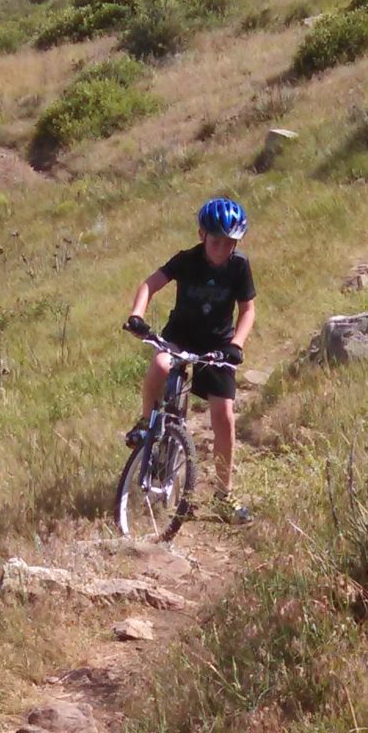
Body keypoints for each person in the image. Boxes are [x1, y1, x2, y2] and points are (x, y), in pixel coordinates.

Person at [123, 196, 256, 522]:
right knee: (159, 365)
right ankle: (145, 423)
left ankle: (224, 495)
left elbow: (248, 309)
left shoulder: (239, 266)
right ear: (201, 235)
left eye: (230, 243)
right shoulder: (187, 260)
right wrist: (137, 315)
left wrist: (236, 344)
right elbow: (150, 284)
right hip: (180, 334)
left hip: (218, 343)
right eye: (216, 241)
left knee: (224, 415)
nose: (223, 249)